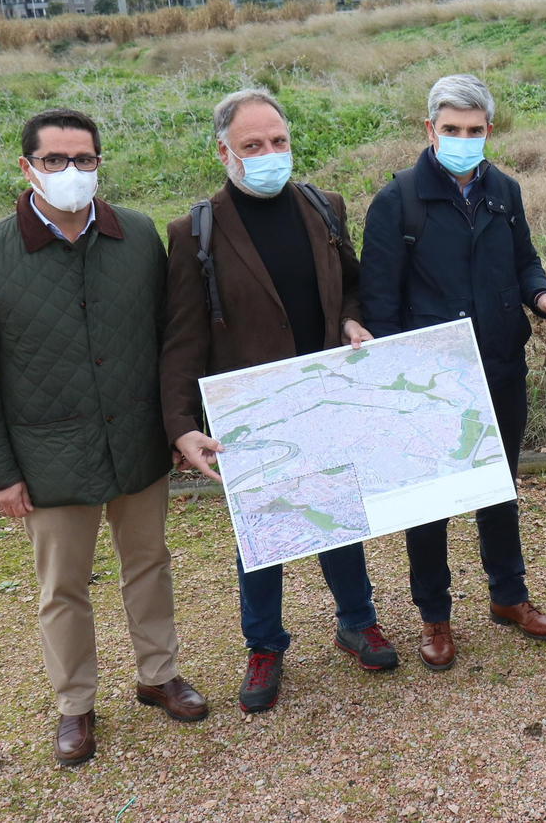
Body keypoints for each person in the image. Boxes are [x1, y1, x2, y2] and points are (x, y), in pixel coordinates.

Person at [0, 109, 207, 766]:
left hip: (138, 442)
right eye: (55, 160)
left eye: (84, 160)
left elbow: (170, 342)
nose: (71, 172)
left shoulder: (139, 236)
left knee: (149, 564)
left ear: (99, 164)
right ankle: (75, 705)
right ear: (27, 167)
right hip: (47, 454)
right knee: (62, 586)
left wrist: (178, 425)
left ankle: (159, 672)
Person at [160, 88, 394, 713]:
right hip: (251, 409)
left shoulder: (324, 207)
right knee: (260, 534)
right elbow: (182, 336)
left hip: (323, 394)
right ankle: (264, 646)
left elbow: (351, 287)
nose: (269, 154)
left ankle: (356, 620)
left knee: (338, 510)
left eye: (278, 142)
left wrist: (350, 321)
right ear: (224, 153)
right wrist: (180, 423)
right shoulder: (194, 232)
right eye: (253, 146)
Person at [360, 74, 546, 670]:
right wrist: (404, 383)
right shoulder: (396, 200)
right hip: (430, 378)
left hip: (500, 365)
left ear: (488, 132)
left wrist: (543, 295)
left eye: (474, 131)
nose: (463, 139)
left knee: (498, 488)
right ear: (430, 130)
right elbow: (380, 302)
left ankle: (510, 596)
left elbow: (525, 260)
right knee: (431, 501)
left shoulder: (505, 190)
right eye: (451, 130)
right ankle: (434, 615)